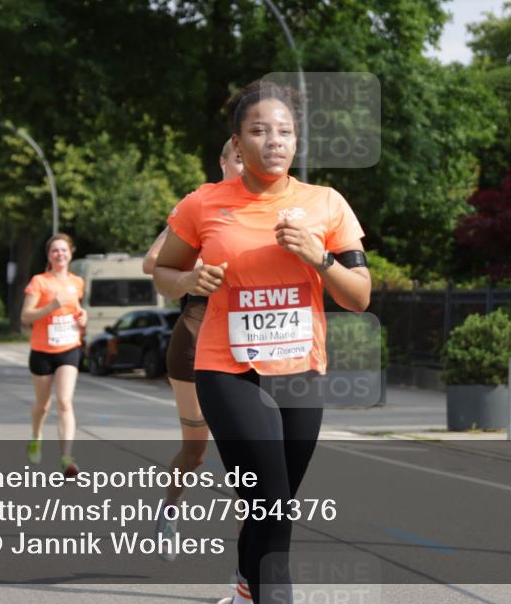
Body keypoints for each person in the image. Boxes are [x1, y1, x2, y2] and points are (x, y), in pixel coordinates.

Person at [154, 80, 371, 604]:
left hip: (300, 372)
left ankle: (249, 587)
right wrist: (188, 282)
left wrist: (318, 257)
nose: (274, 140)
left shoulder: (325, 203)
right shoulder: (202, 204)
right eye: (259, 130)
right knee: (273, 504)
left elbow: (360, 295)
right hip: (228, 371)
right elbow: (163, 271)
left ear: (296, 142)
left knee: (270, 504)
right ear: (237, 142)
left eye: (285, 131)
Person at [143, 139, 245, 560]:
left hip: (246, 339)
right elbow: (152, 262)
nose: (245, 163)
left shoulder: (272, 205)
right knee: (196, 449)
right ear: (222, 162)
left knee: (249, 457)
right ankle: (170, 506)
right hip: (197, 333)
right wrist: (193, 271)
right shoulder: (200, 205)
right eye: (237, 157)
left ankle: (248, 570)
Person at [20, 233, 88, 477]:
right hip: (42, 351)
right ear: (49, 256)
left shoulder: (78, 282)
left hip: (69, 348)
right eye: (54, 251)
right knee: (42, 404)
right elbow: (25, 316)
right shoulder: (39, 282)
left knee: (65, 402)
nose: (60, 254)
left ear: (71, 253)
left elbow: (77, 311)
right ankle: (36, 436)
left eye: (63, 250)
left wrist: (83, 317)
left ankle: (67, 458)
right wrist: (51, 306)